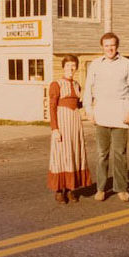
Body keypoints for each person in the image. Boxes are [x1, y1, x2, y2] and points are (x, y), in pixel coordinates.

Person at [83, 32, 129, 202]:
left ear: (117, 46)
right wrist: (89, 111)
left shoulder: (126, 64)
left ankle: (121, 188)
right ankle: (101, 188)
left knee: (120, 153)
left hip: (120, 115)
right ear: (102, 47)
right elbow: (87, 89)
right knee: (101, 154)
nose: (110, 48)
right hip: (101, 115)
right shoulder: (95, 65)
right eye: (106, 45)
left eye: (112, 45)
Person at [47, 54, 92, 204]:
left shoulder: (77, 85)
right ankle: (59, 191)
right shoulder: (56, 84)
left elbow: (77, 104)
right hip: (62, 123)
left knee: (74, 153)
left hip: (75, 123)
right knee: (61, 154)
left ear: (76, 68)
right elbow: (52, 107)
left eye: (73, 66)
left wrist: (89, 100)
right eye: (68, 66)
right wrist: (54, 129)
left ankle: (71, 189)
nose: (71, 69)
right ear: (63, 67)